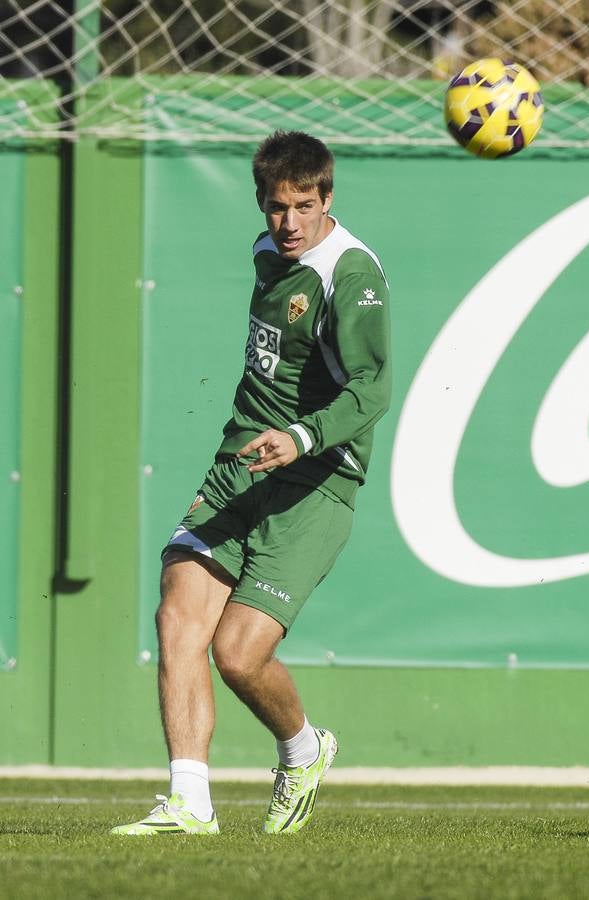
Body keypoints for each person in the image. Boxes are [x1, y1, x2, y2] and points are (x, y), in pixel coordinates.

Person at [112, 130, 391, 836]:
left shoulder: (350, 274)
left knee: (237, 654)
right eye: (275, 206)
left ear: (329, 197)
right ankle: (190, 802)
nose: (289, 223)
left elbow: (371, 390)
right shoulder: (267, 255)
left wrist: (299, 438)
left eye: (304, 205)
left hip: (316, 482)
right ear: (260, 202)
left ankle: (303, 750)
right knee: (177, 609)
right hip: (241, 466)